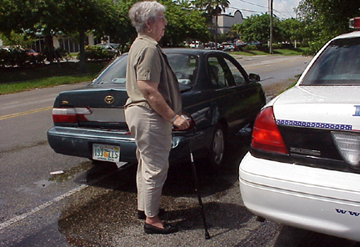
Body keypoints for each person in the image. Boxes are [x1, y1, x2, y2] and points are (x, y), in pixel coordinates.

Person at [124, 1, 190, 234]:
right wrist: (174, 118)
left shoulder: (139, 44)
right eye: (161, 18)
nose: (165, 23)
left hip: (140, 113)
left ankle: (145, 209)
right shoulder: (149, 48)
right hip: (149, 114)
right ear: (149, 23)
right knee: (155, 167)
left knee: (146, 164)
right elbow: (149, 89)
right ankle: (152, 220)